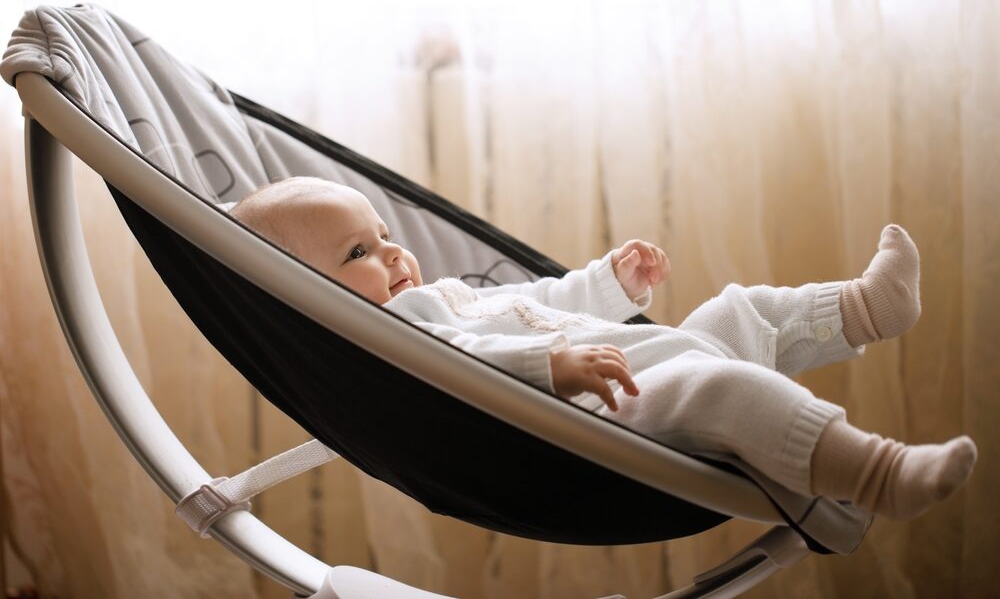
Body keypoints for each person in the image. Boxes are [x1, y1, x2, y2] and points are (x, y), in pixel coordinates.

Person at [231, 176, 977, 520]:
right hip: (611, 410)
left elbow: (543, 300)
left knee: (739, 309)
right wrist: (548, 367)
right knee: (726, 387)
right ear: (310, 295)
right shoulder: (401, 333)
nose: (394, 255)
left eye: (387, 236)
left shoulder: (447, 292)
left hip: (643, 361)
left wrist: (611, 283)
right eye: (359, 250)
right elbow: (461, 369)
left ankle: (866, 307)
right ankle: (879, 471)